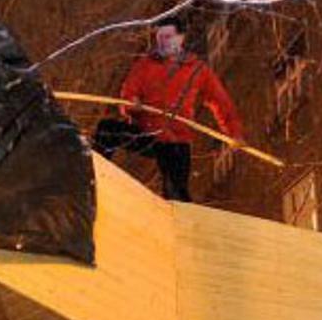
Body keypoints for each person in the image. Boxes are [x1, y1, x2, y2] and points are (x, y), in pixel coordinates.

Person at [92, 16, 242, 201]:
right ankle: (93, 177)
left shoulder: (197, 70)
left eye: (167, 37)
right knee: (107, 130)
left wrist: (233, 133)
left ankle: (184, 215)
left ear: (181, 38)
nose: (162, 42)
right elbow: (129, 90)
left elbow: (220, 101)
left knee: (176, 192)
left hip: (176, 139)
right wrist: (131, 102)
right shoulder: (145, 65)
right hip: (147, 133)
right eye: (159, 37)